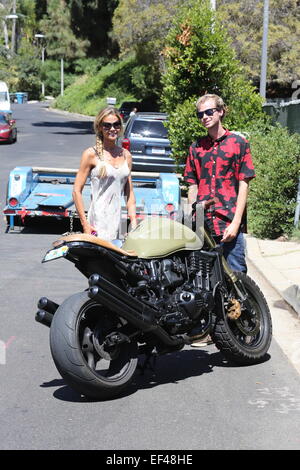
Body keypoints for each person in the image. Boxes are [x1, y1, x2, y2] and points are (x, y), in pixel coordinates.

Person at [184, 93, 255, 346]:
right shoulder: (196, 148)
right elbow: (191, 182)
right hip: (204, 225)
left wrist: (236, 223)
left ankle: (242, 332)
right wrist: (194, 212)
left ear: (221, 111)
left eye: (209, 112)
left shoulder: (238, 143)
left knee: (236, 276)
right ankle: (208, 331)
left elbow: (243, 184)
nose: (205, 117)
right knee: (204, 281)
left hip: (228, 220)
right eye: (200, 114)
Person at [73, 106, 137, 242]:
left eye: (116, 124)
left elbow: (129, 192)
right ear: (100, 127)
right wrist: (85, 224)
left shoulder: (126, 155)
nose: (112, 129)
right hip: (97, 223)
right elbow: (76, 191)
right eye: (107, 125)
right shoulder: (91, 154)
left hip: (117, 222)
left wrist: (134, 221)